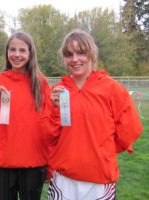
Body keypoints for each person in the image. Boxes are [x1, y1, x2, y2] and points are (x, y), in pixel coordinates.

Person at [43, 29, 143, 199]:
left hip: (100, 179)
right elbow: (48, 136)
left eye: (81, 53)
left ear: (92, 54)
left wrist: (105, 149)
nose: (75, 59)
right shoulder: (57, 91)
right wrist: (53, 109)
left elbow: (130, 129)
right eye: (69, 54)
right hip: (63, 179)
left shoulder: (112, 89)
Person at [0, 31, 51, 200]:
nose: (16, 55)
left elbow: (49, 125)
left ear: (30, 53)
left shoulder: (40, 83)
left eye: (22, 50)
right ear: (7, 53)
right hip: (5, 161)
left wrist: (51, 162)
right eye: (12, 50)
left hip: (34, 160)